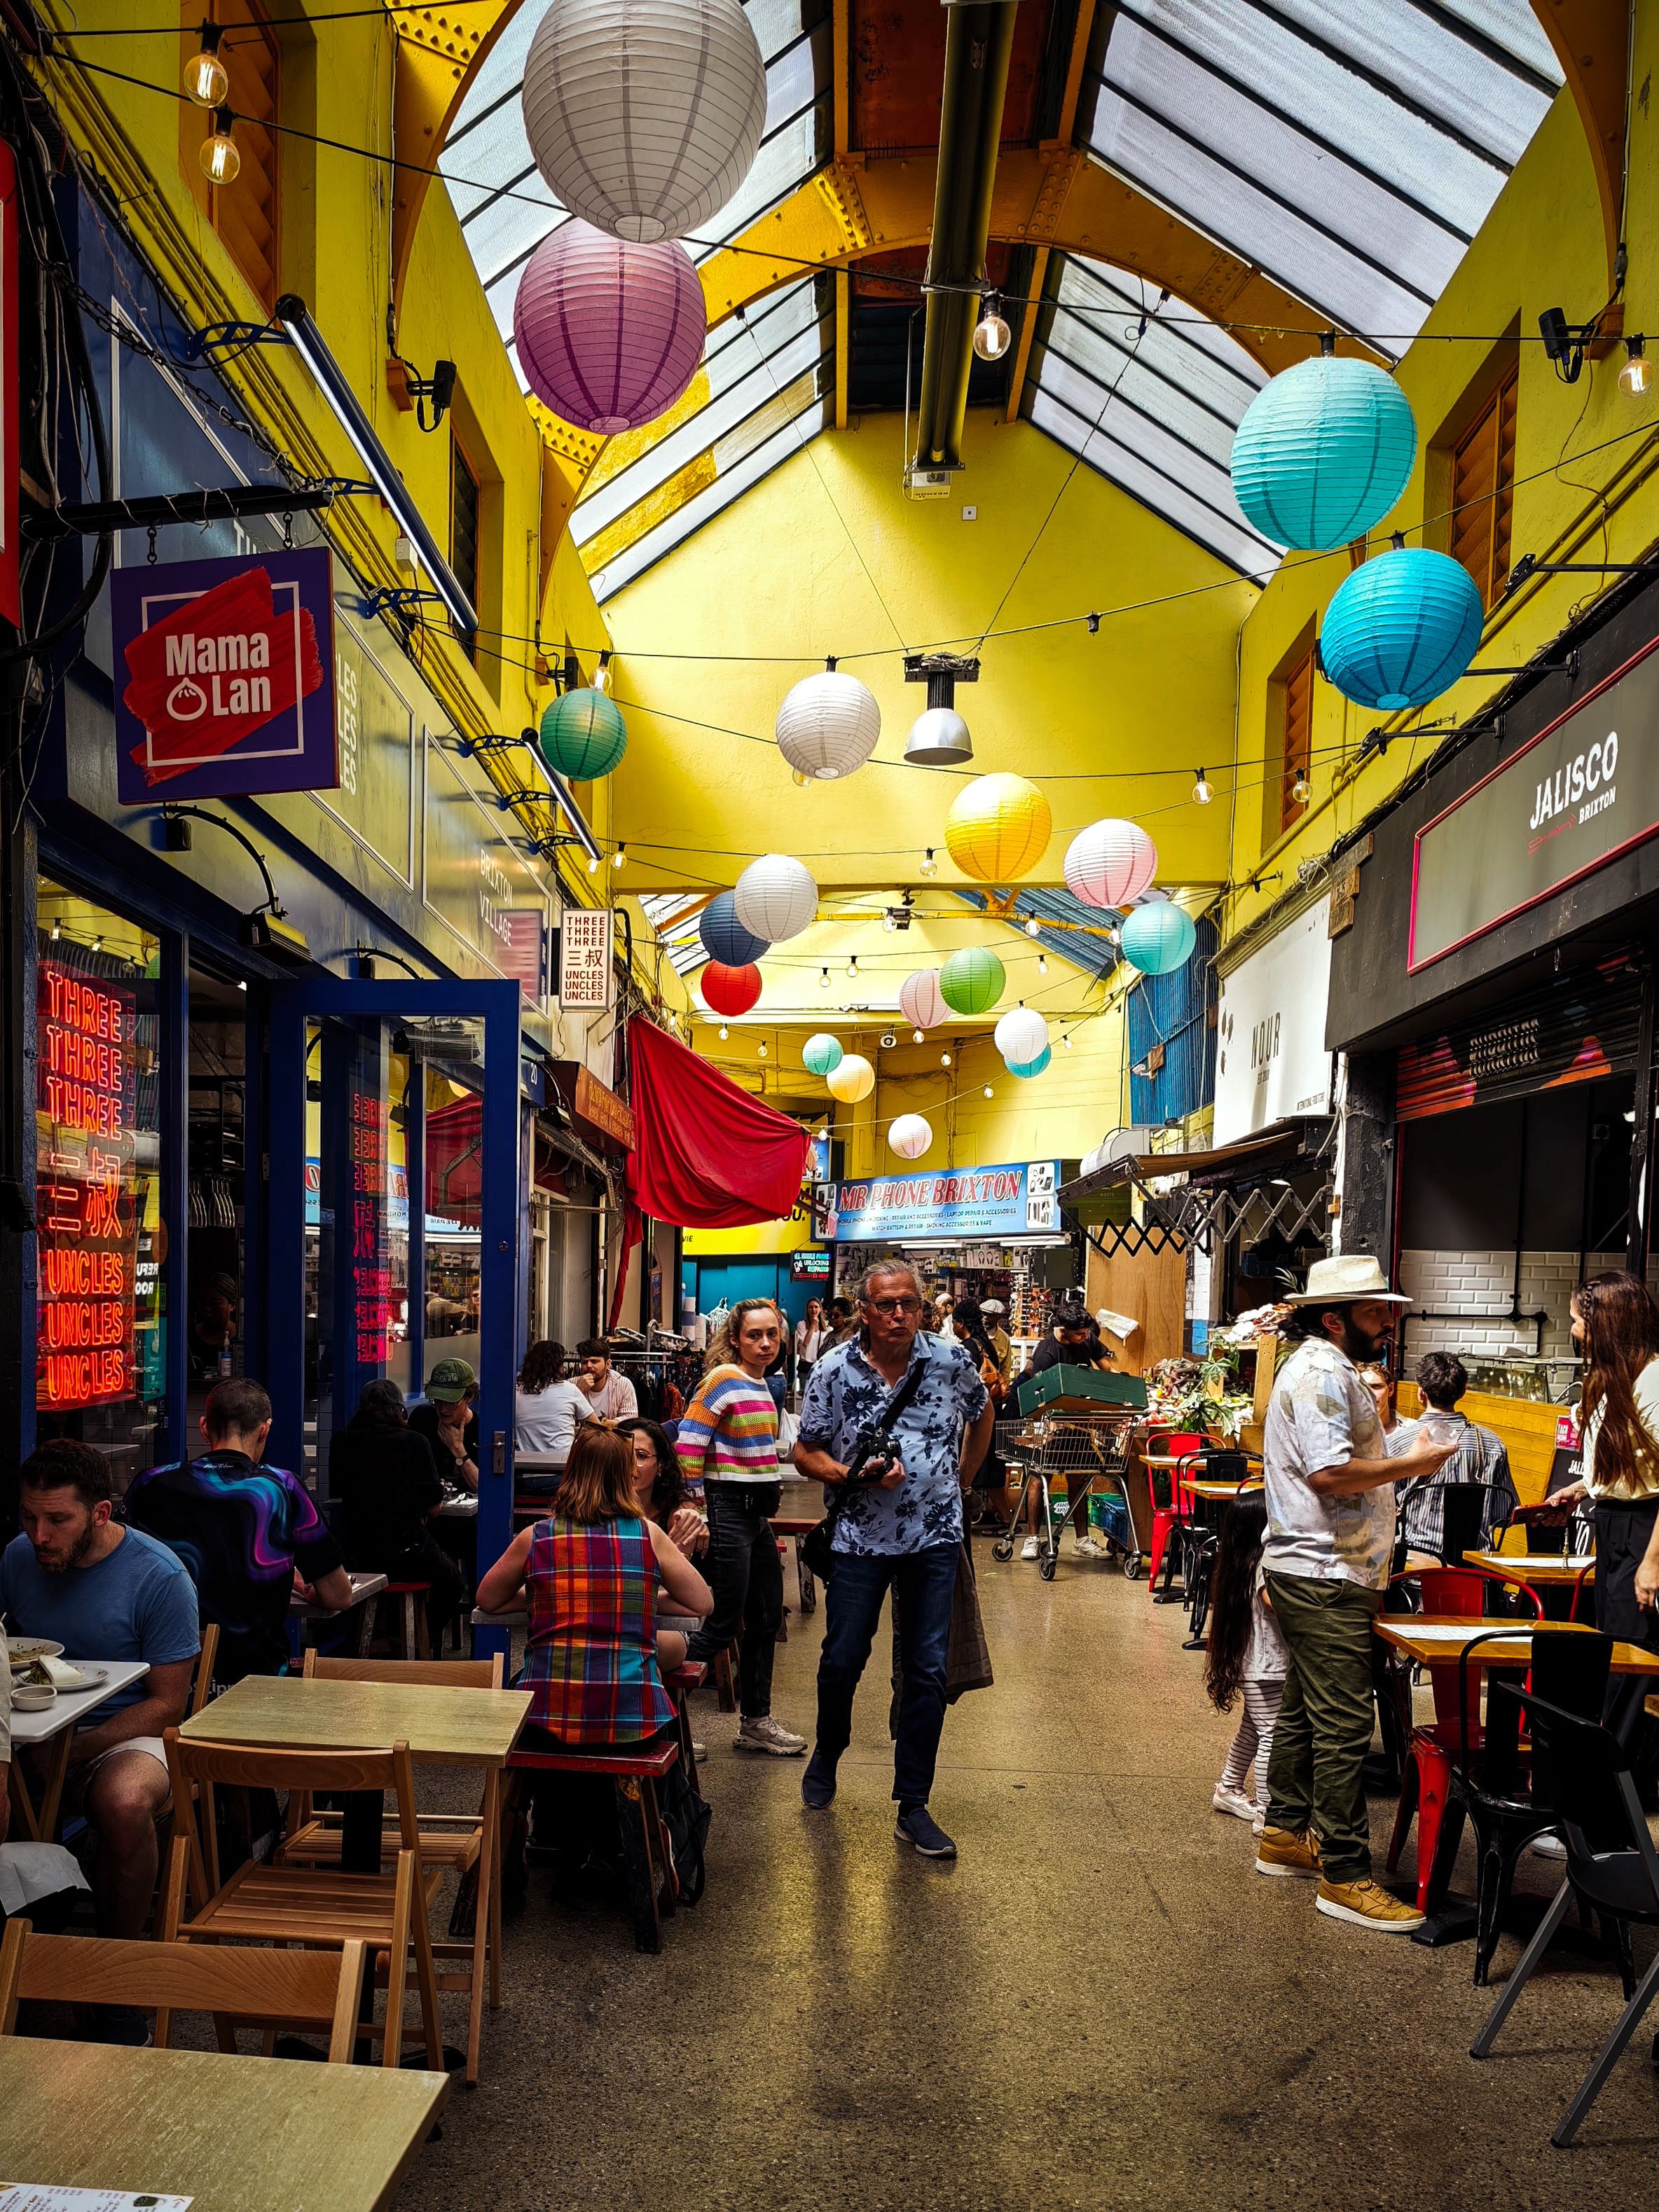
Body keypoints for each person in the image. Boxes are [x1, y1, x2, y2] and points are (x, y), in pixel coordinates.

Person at [1255, 1254, 1454, 1934]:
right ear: (1335, 1319)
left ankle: (1283, 1831)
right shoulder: (1320, 1373)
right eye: (1375, 1312)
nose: (1387, 1323)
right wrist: (1414, 1461)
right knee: (1343, 1723)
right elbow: (1331, 1473)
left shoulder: (1327, 1367)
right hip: (1325, 1571)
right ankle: (1345, 1874)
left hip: (1327, 1569)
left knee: (1307, 1707)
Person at [794, 1258, 996, 1858]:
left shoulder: (951, 1359)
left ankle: (913, 1803)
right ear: (865, 1311)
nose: (899, 1314)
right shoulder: (834, 1369)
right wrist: (851, 1475)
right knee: (842, 1659)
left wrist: (963, 1478)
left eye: (909, 1303)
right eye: (886, 1305)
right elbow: (806, 1451)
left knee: (927, 1670)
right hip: (859, 1539)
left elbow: (982, 1411)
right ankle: (830, 1747)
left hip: (935, 1538)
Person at [1, 1441, 198, 1979]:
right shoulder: (17, 1558)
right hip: (30, 1729)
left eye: (58, 1520)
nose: (40, 1536)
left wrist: (74, 1750)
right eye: (30, 1517)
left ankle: (118, 1977)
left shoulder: (160, 1576)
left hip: (123, 1736)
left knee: (124, 1802)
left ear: (101, 1513)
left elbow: (167, 1705)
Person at [477, 1426, 713, 1750]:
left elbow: (488, 1599)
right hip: (632, 1721)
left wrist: (550, 1597)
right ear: (623, 1476)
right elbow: (702, 1603)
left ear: (571, 1471)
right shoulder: (648, 1535)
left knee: (521, 1689)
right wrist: (633, 1598)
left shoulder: (536, 1537)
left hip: (546, 1721)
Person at [122, 1376, 352, 1684]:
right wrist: (298, 1584)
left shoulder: (151, 1484)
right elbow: (338, 1596)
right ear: (265, 1430)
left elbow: (120, 1575)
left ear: (204, 1427)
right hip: (257, 1678)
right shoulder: (283, 1488)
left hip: (166, 1677)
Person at [674, 1299, 806, 1756]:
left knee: (767, 1617)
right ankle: (655, 1718)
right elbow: (688, 1446)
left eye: (772, 1334)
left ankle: (755, 1723)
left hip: (756, 1514)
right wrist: (698, 1511)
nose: (765, 1343)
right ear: (735, 1339)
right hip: (726, 1508)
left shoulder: (765, 1383)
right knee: (722, 1622)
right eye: (754, 1335)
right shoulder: (722, 1379)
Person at [1545, 1271, 1659, 1736]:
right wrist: (1581, 1489)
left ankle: (1619, 1765)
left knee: (1634, 1656)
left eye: (1578, 1320)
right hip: (1613, 1523)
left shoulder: (1652, 1381)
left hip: (1645, 1531)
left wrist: (1652, 1564)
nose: (1573, 1329)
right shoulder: (1611, 1378)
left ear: (1605, 1323)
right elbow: (1627, 1465)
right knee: (1614, 1645)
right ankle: (1610, 1756)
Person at [330, 1378, 470, 1646]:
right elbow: (434, 1508)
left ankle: (386, 1637)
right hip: (407, 1553)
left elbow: (338, 1491)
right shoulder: (414, 1442)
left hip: (357, 1554)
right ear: (400, 1410)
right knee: (452, 1583)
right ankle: (423, 1641)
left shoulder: (342, 1441)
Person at [1206, 1493, 1288, 1831]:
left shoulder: (1239, 1564)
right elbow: (1274, 1603)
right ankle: (1268, 1813)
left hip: (1254, 1662)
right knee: (1272, 1734)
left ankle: (1228, 1787)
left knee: (1254, 1727)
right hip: (1266, 1666)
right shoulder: (1264, 1565)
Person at [1398, 1351, 1517, 1554]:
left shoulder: (1398, 1442)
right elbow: (1504, 1514)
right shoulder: (1493, 1444)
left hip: (1415, 1563)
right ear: (1463, 1392)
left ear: (1421, 1393)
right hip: (1475, 1565)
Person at [619, 1417, 709, 1556]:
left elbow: (678, 1569)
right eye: (623, 1454)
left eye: (641, 1455)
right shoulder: (596, 1503)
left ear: (660, 1465)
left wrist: (690, 1524)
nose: (630, 1463)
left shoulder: (678, 1511)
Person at [514, 1341, 595, 1488]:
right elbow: (597, 1428)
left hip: (523, 1476)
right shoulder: (570, 1390)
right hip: (561, 1476)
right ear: (557, 1365)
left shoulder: (516, 1392)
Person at [409, 1357, 480, 1491]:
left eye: (451, 1403)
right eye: (437, 1401)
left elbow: (483, 1487)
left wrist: (459, 1450)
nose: (443, 1410)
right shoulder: (421, 1419)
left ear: (469, 1397)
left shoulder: (480, 1429)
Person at [1023, 1301, 1112, 1378]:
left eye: (1087, 1332)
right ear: (1063, 1330)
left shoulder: (1087, 1337)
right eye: (1079, 1334)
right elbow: (1039, 1389)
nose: (1086, 1337)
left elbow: (1109, 1369)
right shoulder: (1046, 1354)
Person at [1356, 1362, 1419, 1459]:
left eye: (1376, 1387)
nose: (1370, 1395)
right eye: (1362, 1388)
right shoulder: (1346, 1433)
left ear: (1390, 1389)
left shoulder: (1414, 1429)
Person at [577, 1339, 639, 1423]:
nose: (589, 1366)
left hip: (612, 1432)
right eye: (584, 1362)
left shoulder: (622, 1384)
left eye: (594, 1362)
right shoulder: (572, 1384)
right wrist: (577, 1391)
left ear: (608, 1364)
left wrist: (613, 1422)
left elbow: (631, 1417)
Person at [979, 1300, 1014, 1386]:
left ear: (998, 1317)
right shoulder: (973, 1333)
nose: (985, 1318)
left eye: (990, 1315)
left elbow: (1006, 1368)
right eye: (984, 1314)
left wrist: (1003, 1387)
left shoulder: (1004, 1338)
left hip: (992, 1386)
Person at [794, 1299, 827, 1391]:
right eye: (811, 1307)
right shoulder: (802, 1325)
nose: (813, 1310)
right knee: (806, 1393)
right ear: (807, 1310)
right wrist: (813, 1326)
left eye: (816, 1307)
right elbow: (805, 1343)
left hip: (821, 1366)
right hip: (806, 1366)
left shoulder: (826, 1327)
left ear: (820, 1309)